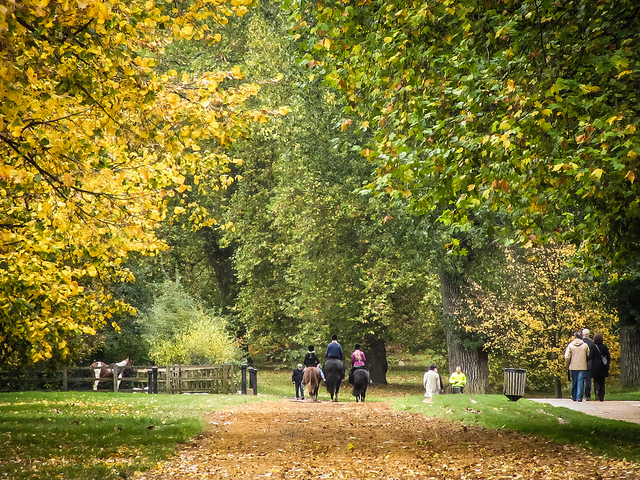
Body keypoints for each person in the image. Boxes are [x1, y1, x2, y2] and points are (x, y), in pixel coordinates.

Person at [564, 331, 591, 402]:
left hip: (573, 366)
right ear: (581, 337)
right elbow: (588, 354)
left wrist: (569, 361)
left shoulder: (570, 345)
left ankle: (574, 396)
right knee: (580, 381)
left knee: (574, 381)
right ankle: (579, 397)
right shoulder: (585, 345)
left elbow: (567, 356)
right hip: (582, 366)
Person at [591, 333, 611, 402]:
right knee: (602, 381)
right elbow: (608, 356)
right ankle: (601, 396)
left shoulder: (593, 347)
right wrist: (607, 363)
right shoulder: (604, 347)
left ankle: (597, 390)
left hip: (595, 365)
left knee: (596, 380)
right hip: (603, 366)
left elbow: (591, 356)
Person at [581, 328, 597, 400]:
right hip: (590, 364)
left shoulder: (580, 343)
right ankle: (588, 395)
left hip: (580, 364)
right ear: (589, 335)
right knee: (588, 380)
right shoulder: (592, 343)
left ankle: (579, 395)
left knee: (580, 380)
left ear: (583, 334)